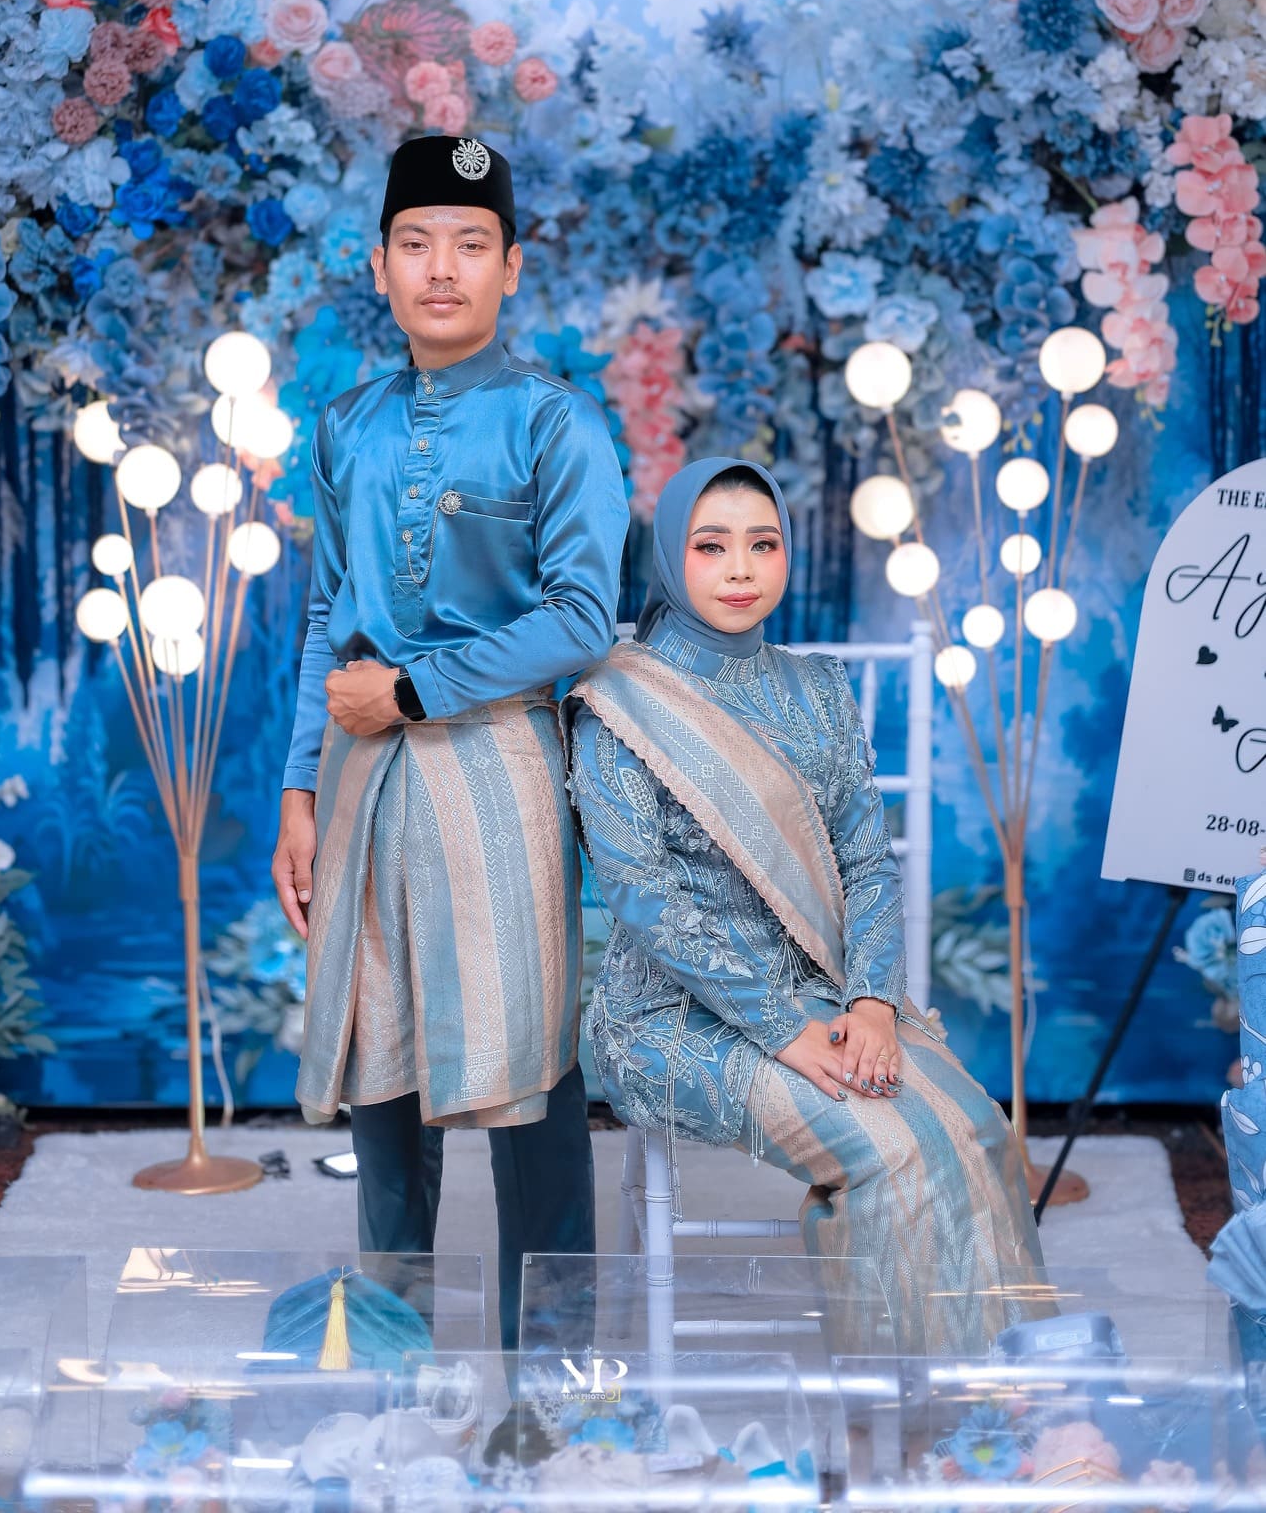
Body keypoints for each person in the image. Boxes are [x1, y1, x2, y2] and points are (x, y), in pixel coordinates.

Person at [273, 132, 630, 1361]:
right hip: (360, 777)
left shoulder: (554, 422)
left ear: (510, 266)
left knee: (526, 1073)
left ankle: (558, 1369)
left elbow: (582, 618)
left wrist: (416, 688)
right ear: (378, 265)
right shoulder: (346, 426)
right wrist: (298, 789)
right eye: (416, 243)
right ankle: (392, 1350)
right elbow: (325, 614)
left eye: (469, 244)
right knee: (382, 1071)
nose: (441, 268)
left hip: (497, 774)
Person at [565, 456, 1044, 1356]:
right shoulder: (619, 704)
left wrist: (872, 1003)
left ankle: (1004, 1390)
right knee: (888, 1147)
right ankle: (902, 1403)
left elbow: (866, 862)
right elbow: (644, 901)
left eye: (763, 544)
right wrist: (785, 1027)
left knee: (981, 1127)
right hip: (669, 1018)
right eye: (710, 547)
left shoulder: (816, 689)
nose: (740, 570)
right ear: (668, 557)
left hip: (828, 996)